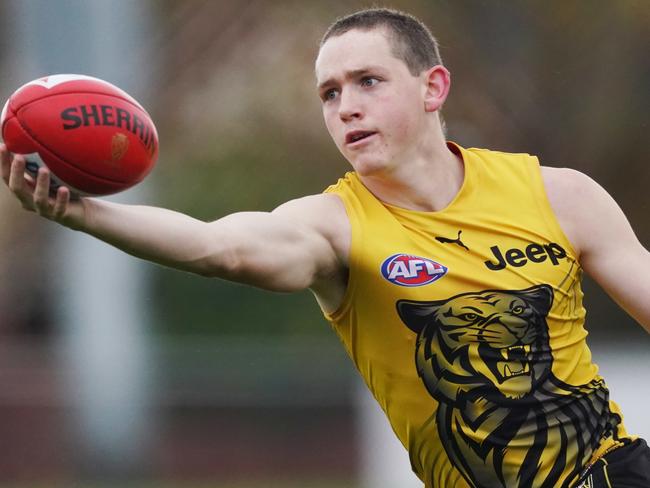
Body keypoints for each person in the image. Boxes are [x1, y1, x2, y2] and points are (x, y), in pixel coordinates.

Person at [1, 7, 649, 488]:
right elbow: (215, 246)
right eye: (329, 94)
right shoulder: (336, 226)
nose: (346, 107)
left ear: (433, 88)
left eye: (368, 81)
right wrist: (87, 214)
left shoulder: (557, 195)